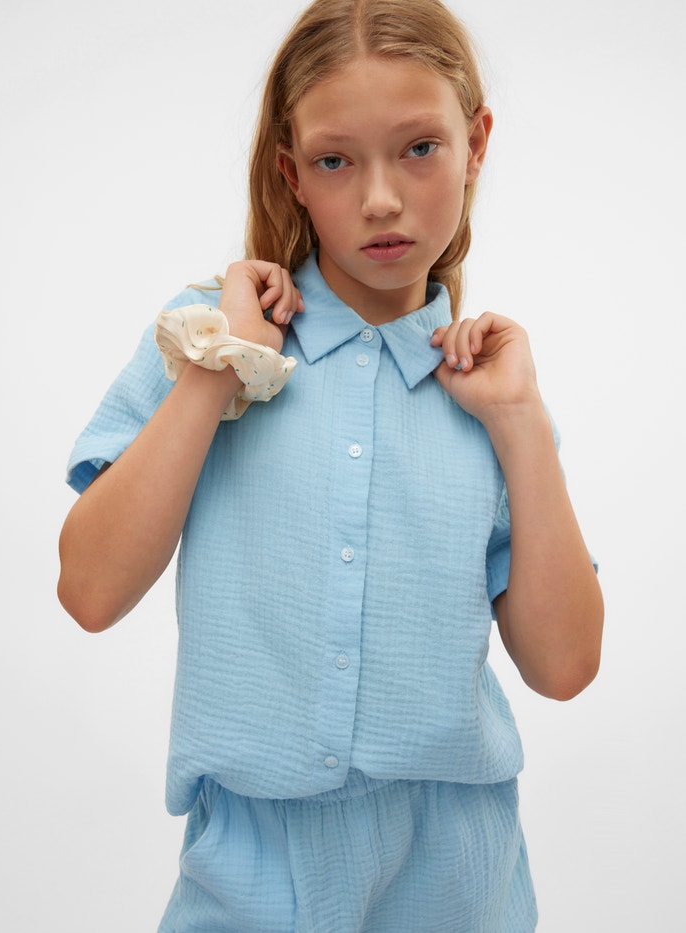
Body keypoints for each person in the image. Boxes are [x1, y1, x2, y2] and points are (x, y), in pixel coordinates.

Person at [57, 0, 604, 929]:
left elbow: (564, 666)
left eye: (419, 148)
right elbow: (90, 591)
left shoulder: (492, 388)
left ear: (476, 144)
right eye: (335, 161)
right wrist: (219, 367)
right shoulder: (204, 337)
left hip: (457, 884)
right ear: (292, 173)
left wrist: (518, 421)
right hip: (247, 877)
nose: (380, 198)